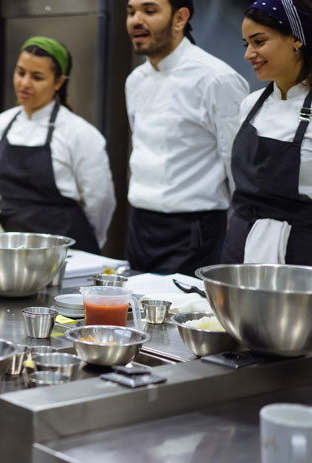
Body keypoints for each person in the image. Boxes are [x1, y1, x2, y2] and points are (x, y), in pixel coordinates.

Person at [124, 0, 249, 275]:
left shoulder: (216, 79)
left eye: (149, 10)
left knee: (187, 314)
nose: (136, 20)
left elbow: (238, 166)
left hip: (194, 230)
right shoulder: (134, 80)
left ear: (180, 18)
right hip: (140, 225)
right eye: (131, 12)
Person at [221, 0, 312, 267]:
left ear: (296, 40)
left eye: (259, 42)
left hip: (302, 259)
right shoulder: (251, 105)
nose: (249, 54)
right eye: (246, 44)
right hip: (240, 248)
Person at [0, 36, 116, 254]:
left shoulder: (79, 133)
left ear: (58, 82)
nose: (24, 83)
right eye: (20, 73)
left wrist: (89, 245)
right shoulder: (0, 125)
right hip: (10, 248)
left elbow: (101, 201)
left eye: (37, 77)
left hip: (66, 251)